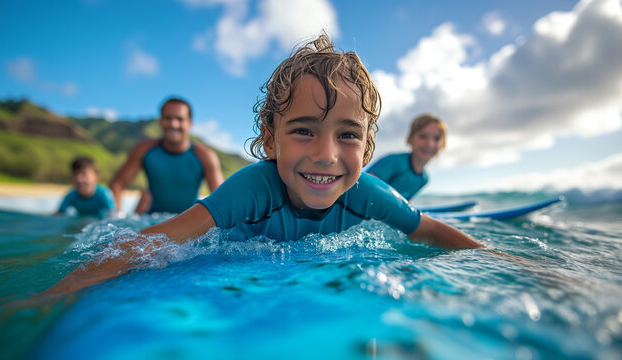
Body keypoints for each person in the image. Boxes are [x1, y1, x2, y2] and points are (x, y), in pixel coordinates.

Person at [45, 34, 482, 295]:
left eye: (347, 134)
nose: (326, 154)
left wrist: (499, 261)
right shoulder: (253, 189)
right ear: (270, 141)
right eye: (304, 130)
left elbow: (424, 229)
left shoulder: (368, 193)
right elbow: (151, 241)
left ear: (366, 152)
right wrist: (58, 292)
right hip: (231, 253)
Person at [109, 97, 224, 214]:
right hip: (151, 222)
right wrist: (118, 217)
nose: (173, 124)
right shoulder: (143, 150)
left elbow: (223, 199)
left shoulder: (205, 155)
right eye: (168, 118)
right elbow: (117, 184)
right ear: (160, 121)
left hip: (188, 222)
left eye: (180, 119)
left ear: (190, 123)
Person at [366, 114, 445, 200]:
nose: (430, 144)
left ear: (443, 144)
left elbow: (406, 201)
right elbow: (366, 184)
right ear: (410, 139)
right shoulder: (395, 162)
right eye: (423, 136)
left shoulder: (423, 179)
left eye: (436, 138)